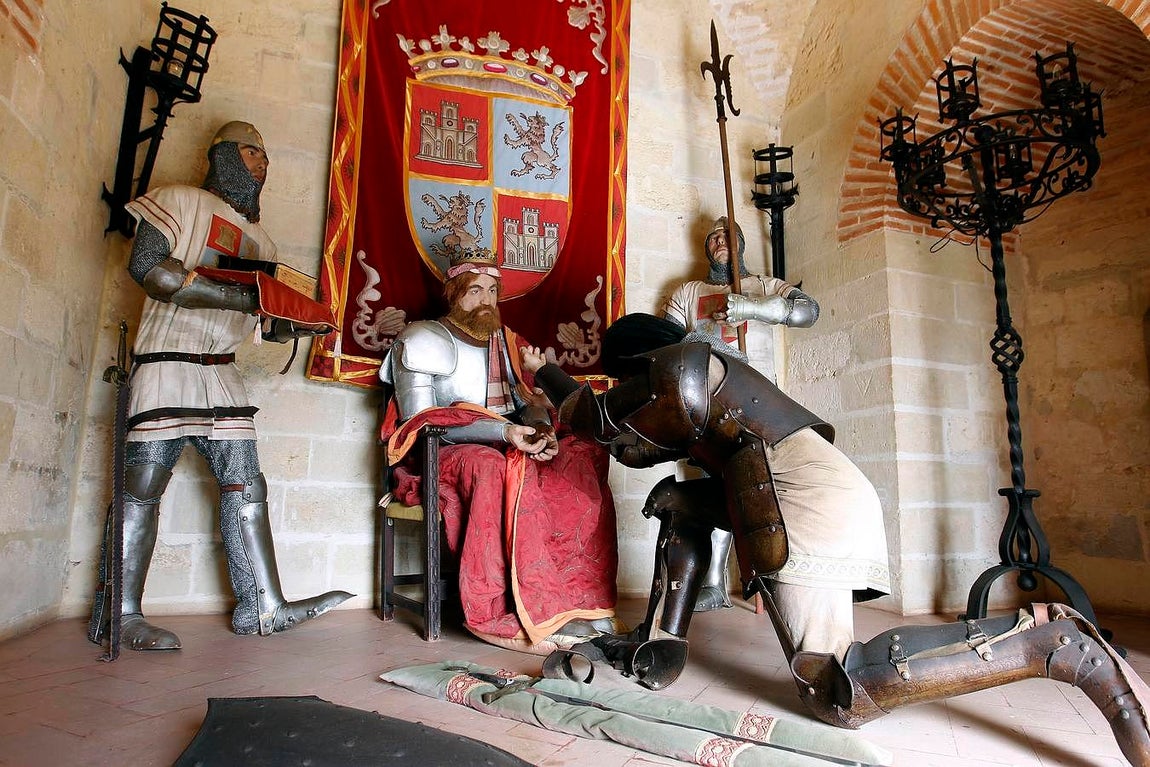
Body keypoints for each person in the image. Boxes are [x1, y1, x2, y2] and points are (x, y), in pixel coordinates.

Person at [526, 313, 1150, 767]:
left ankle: (1050, 642)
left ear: (636, 363)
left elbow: (613, 428)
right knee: (678, 501)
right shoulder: (711, 378)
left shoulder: (684, 366)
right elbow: (641, 449)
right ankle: (661, 646)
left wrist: (545, 374)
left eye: (623, 379)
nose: (627, 394)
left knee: (834, 687)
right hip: (807, 485)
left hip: (803, 495)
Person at [90, 121, 353, 651]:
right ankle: (117, 613)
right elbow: (152, 270)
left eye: (266, 156)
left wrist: (302, 322)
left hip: (223, 372)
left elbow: (265, 320)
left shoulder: (263, 242)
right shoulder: (179, 201)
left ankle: (263, 606)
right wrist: (239, 299)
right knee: (141, 487)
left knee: (246, 487)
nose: (264, 163)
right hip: (166, 364)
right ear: (224, 154)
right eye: (254, 151)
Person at [378, 251, 619, 654]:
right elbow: (423, 420)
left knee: (581, 455)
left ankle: (571, 601)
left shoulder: (509, 343)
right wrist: (504, 432)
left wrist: (542, 430)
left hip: (510, 441)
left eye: (492, 290)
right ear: (454, 293)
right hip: (447, 452)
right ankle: (497, 604)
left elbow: (530, 401)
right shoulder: (421, 339)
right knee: (489, 466)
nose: (487, 299)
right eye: (475, 290)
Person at [663, 216, 821, 612]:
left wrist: (753, 307)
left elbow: (808, 311)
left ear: (741, 244)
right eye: (713, 237)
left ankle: (774, 579)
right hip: (705, 400)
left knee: (762, 483)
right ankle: (714, 582)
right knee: (707, 484)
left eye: (727, 236)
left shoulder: (765, 285)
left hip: (757, 400)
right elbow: (664, 340)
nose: (719, 241)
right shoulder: (688, 291)